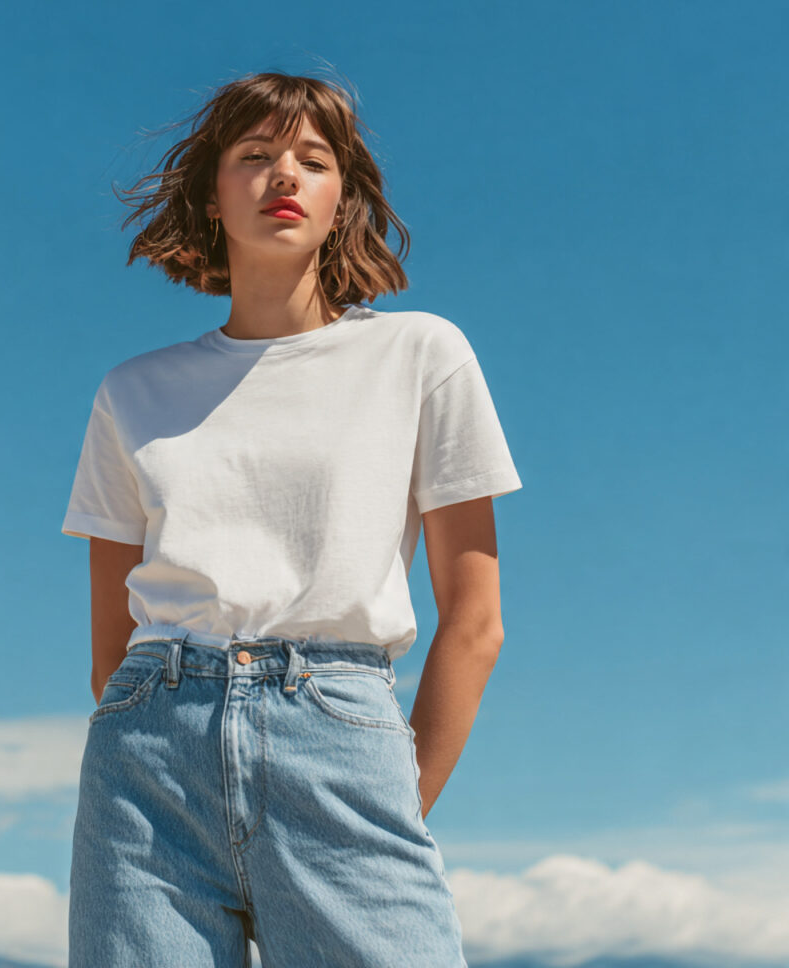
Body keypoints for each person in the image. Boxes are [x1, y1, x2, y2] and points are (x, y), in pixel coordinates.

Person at [61, 70, 522, 968]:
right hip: (148, 758)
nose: (285, 175)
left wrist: (390, 794)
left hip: (339, 734)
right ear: (211, 190)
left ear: (341, 196)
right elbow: (109, 649)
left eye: (313, 160)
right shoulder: (132, 392)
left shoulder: (420, 354)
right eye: (255, 156)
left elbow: (475, 621)